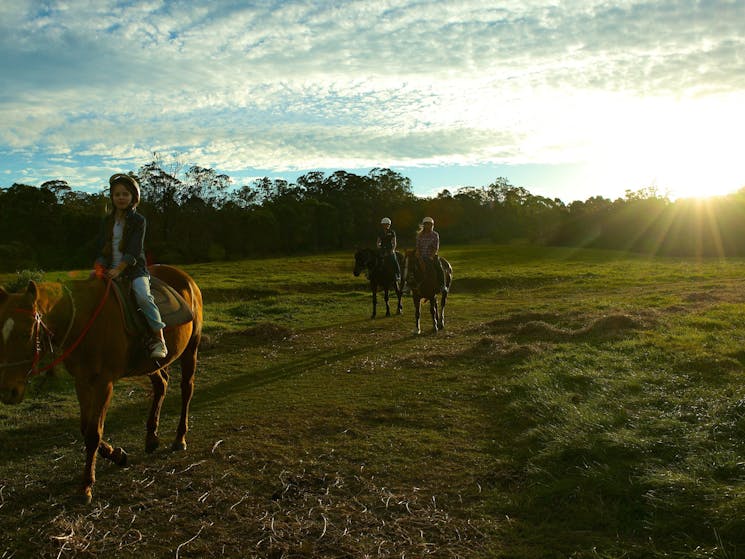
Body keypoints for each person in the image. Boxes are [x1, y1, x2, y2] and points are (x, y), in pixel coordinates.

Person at [94, 173, 168, 359]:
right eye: (117, 194)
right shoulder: (107, 221)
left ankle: (160, 340)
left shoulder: (139, 221)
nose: (121, 197)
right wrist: (100, 267)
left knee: (143, 297)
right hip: (109, 269)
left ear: (133, 197)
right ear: (112, 197)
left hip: (134, 270)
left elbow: (134, 250)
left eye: (125, 194)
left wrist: (118, 269)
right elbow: (103, 248)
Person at [414, 216, 447, 293]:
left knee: (439, 268)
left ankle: (443, 286)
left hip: (431, 256)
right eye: (427, 224)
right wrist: (418, 254)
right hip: (421, 256)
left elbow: (436, 247)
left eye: (430, 225)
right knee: (411, 266)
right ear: (424, 225)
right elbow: (417, 246)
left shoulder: (435, 235)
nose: (429, 226)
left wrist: (431, 256)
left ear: (432, 225)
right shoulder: (419, 235)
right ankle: (409, 285)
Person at [376, 217, 401, 282]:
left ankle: (398, 274)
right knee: (375, 260)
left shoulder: (392, 232)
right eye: (384, 224)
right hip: (382, 249)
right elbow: (378, 241)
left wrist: (392, 250)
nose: (386, 226)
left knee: (394, 260)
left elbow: (394, 242)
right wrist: (379, 247)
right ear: (382, 225)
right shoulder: (380, 232)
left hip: (390, 249)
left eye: (387, 224)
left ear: (389, 225)